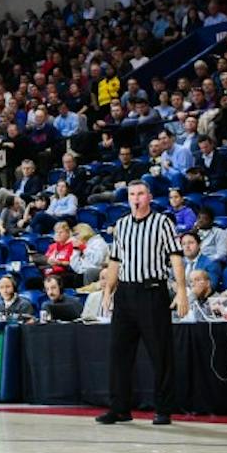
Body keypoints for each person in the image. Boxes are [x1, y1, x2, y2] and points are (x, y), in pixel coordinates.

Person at [96, 181, 187, 426]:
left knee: (161, 353)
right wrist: (108, 290)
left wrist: (182, 290)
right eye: (132, 194)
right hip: (125, 292)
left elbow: (176, 257)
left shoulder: (162, 223)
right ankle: (120, 408)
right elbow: (115, 260)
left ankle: (164, 409)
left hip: (152, 291)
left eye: (140, 194)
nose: (136, 198)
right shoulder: (122, 225)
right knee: (119, 353)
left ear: (149, 197)